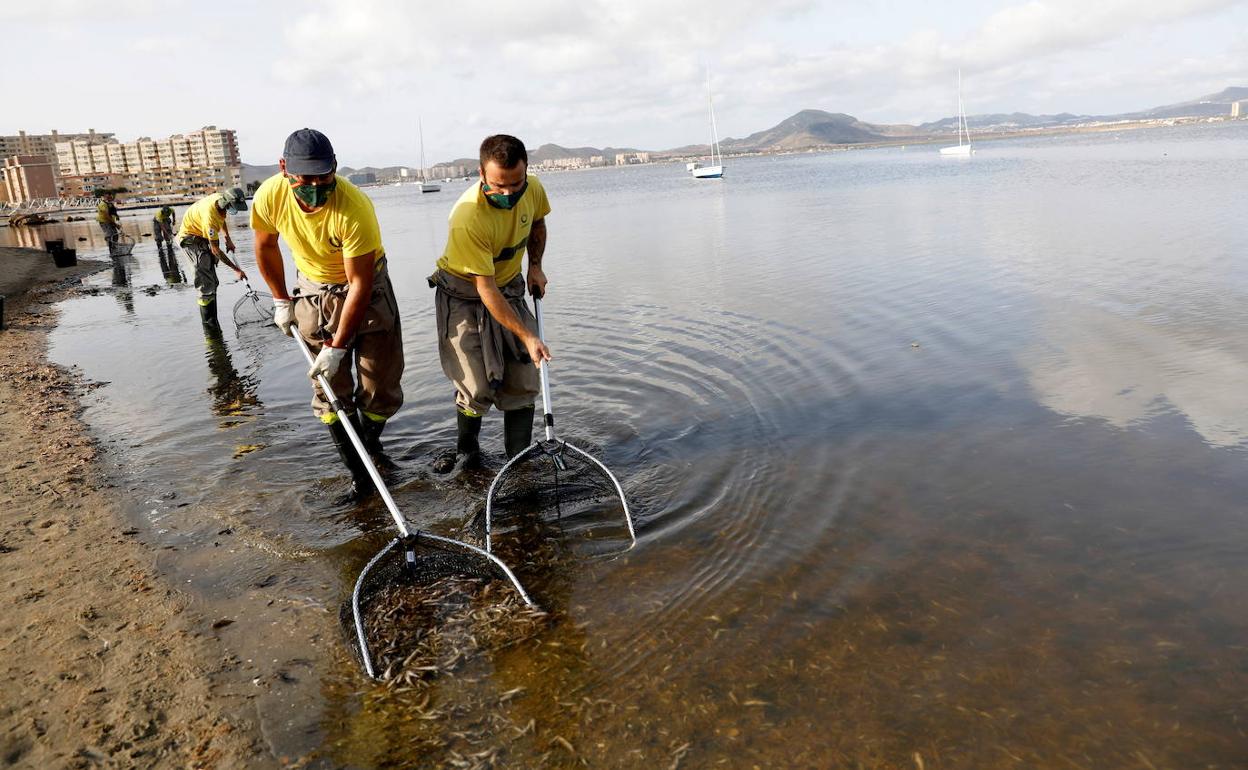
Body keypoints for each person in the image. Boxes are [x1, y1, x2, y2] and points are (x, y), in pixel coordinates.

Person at [252, 128, 404, 495]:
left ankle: (369, 447)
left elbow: (359, 285)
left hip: (367, 287)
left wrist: (337, 347)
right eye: (305, 179)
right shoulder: (270, 195)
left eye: (323, 177)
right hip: (314, 289)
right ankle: (360, 475)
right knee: (329, 389)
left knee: (380, 386)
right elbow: (266, 246)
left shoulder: (354, 208)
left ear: (334, 166)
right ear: (284, 168)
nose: (315, 186)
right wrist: (281, 299)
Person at [428, 134, 552, 473]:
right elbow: (486, 290)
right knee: (476, 386)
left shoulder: (533, 188)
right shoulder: (468, 217)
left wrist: (535, 266)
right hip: (464, 293)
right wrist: (528, 335)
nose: (509, 194)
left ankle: (518, 465)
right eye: (499, 186)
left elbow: (538, 223)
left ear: (526, 172)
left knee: (524, 379)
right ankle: (467, 455)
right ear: (481, 174)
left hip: (508, 286)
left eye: (516, 184)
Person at [176, 188, 248, 329]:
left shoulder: (220, 199)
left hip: (201, 235)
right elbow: (215, 250)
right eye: (232, 207)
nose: (230, 211)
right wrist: (236, 270)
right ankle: (209, 325)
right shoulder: (210, 217)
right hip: (190, 240)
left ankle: (213, 320)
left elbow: (221, 218)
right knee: (205, 283)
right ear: (226, 203)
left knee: (213, 281)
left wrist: (227, 238)